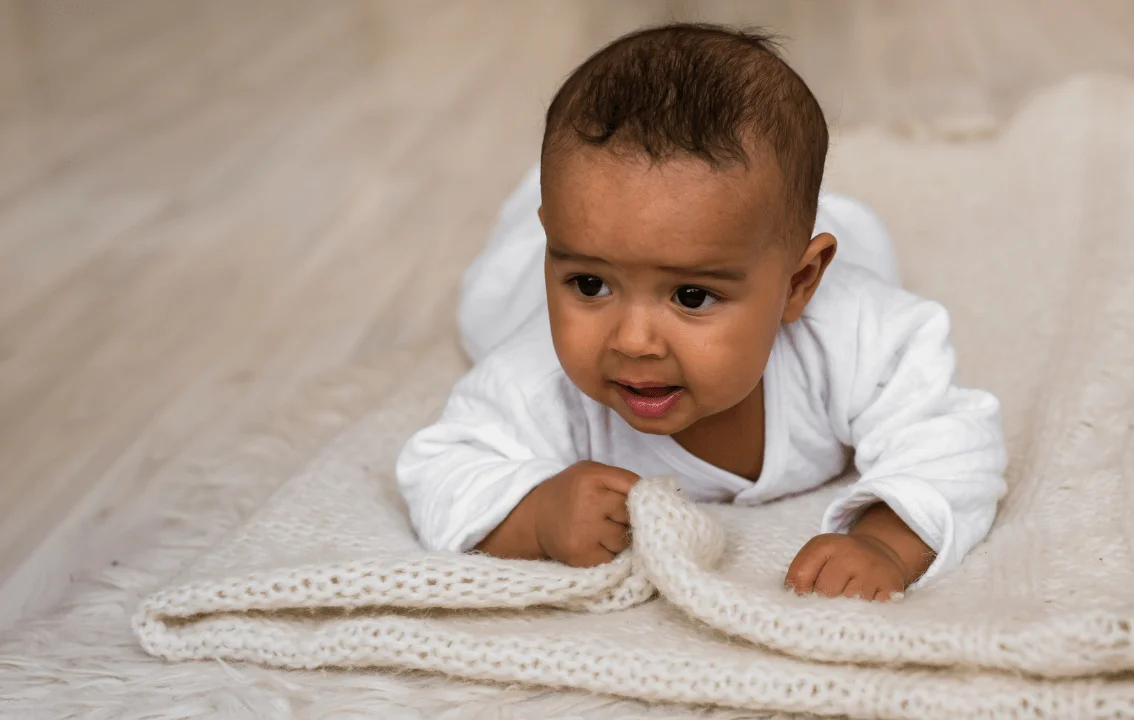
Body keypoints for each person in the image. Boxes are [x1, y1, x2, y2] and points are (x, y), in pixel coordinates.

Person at [396, 23, 1007, 601]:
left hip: (795, 245)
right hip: (526, 278)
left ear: (800, 283)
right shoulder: (536, 375)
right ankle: (541, 212)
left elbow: (952, 443)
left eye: (691, 296)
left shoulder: (860, 337)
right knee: (486, 307)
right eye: (588, 283)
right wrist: (535, 514)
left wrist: (885, 543)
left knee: (861, 241)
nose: (633, 341)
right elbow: (441, 471)